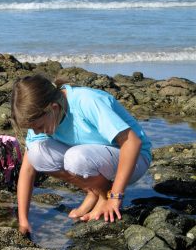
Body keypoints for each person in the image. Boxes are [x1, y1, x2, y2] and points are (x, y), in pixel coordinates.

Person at [11, 74, 152, 235]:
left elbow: (132, 143)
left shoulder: (86, 101)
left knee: (76, 158)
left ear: (54, 108)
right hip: (94, 157)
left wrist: (115, 197)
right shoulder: (45, 115)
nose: (36, 132)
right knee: (37, 152)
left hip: (135, 159)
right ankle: (94, 192)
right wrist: (23, 221)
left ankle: (105, 196)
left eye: (39, 127)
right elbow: (28, 170)